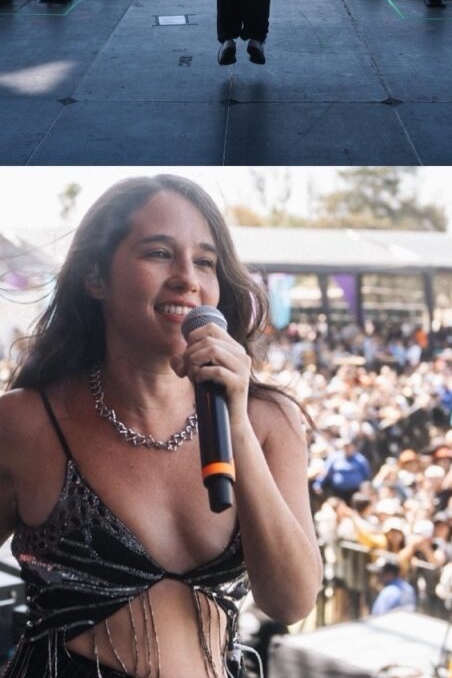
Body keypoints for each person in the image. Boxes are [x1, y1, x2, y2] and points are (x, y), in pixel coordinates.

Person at [0, 175, 322, 676]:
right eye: (158, 253)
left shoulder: (267, 421)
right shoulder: (25, 421)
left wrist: (234, 421)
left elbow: (291, 602)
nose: (187, 278)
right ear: (96, 278)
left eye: (206, 261)